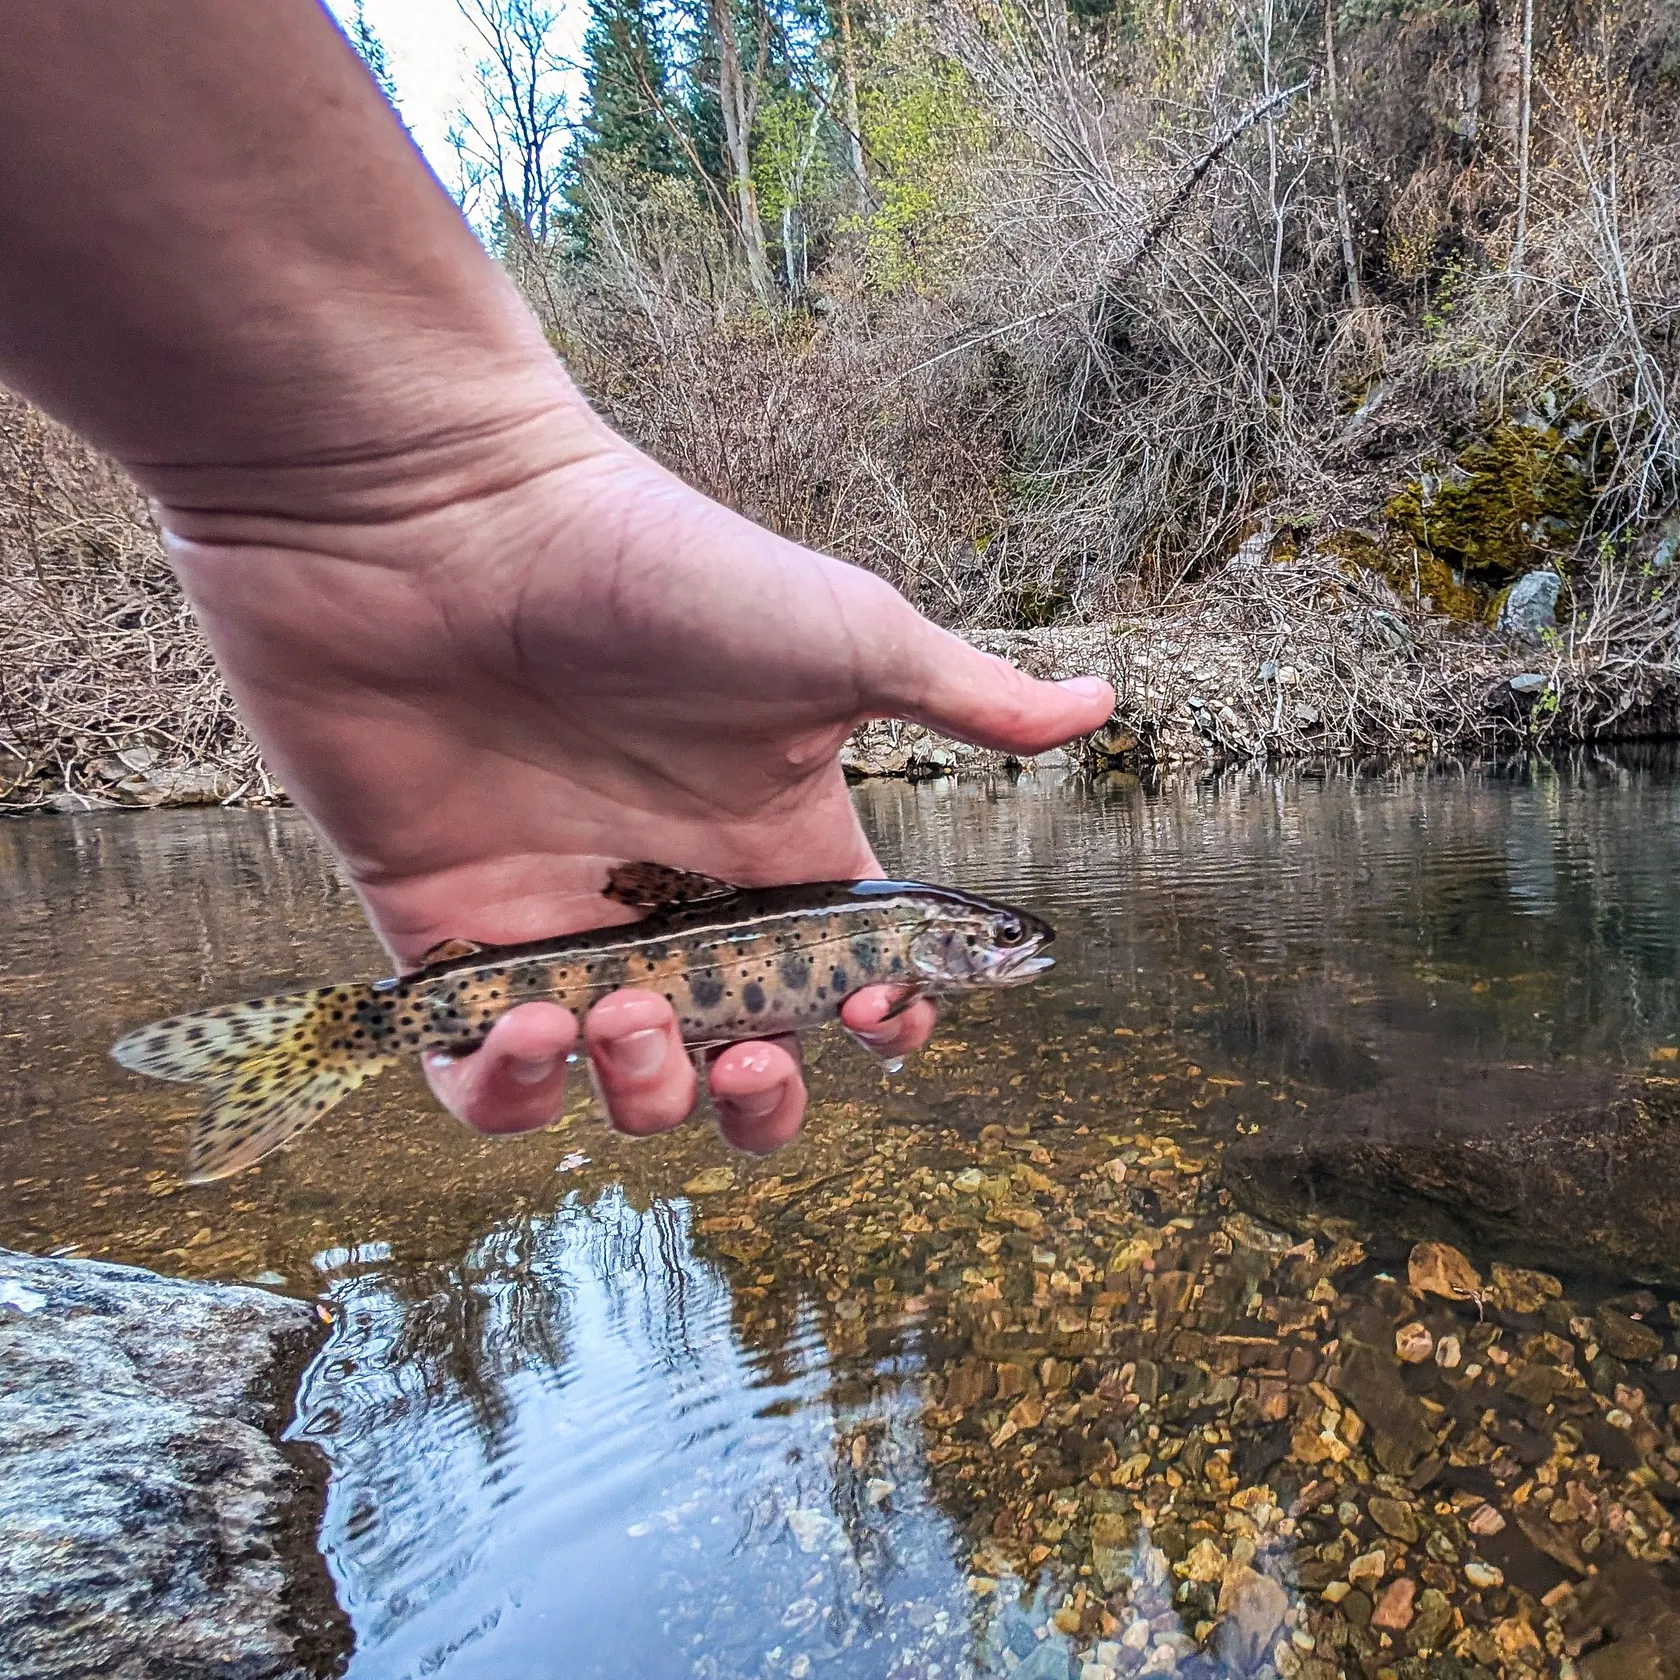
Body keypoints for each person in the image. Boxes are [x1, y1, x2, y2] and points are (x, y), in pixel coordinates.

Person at [0, 2, 1112, 1154]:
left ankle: (345, 1037)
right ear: (939, 944)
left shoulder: (894, 927)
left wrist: (387, 500)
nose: (1000, 949)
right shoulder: (899, 926)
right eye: (991, 939)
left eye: (991, 941)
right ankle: (344, 1034)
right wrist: (427, 498)